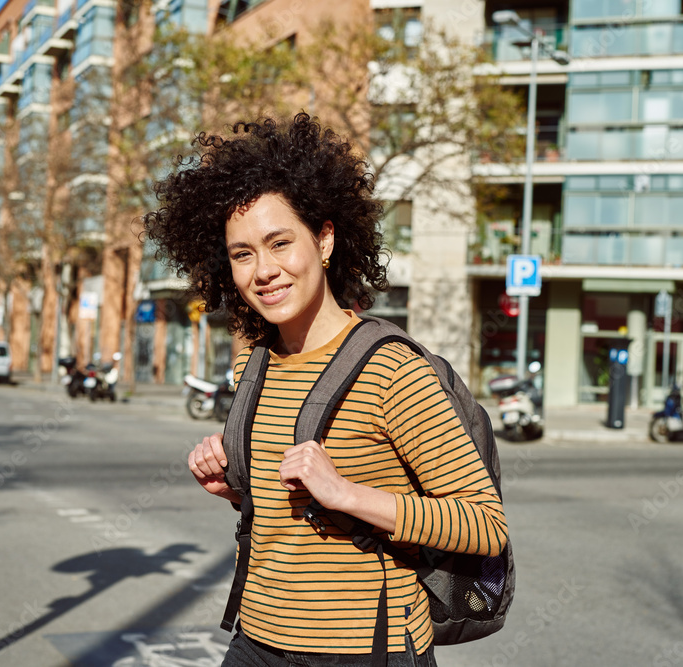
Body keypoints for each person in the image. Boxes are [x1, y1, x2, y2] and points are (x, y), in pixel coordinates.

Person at [142, 113, 508, 666]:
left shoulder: (390, 369)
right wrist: (236, 492)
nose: (264, 270)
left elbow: (485, 526)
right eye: (243, 254)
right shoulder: (254, 366)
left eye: (279, 243)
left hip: (365, 648)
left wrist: (347, 494)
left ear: (325, 239)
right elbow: (290, 520)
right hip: (256, 639)